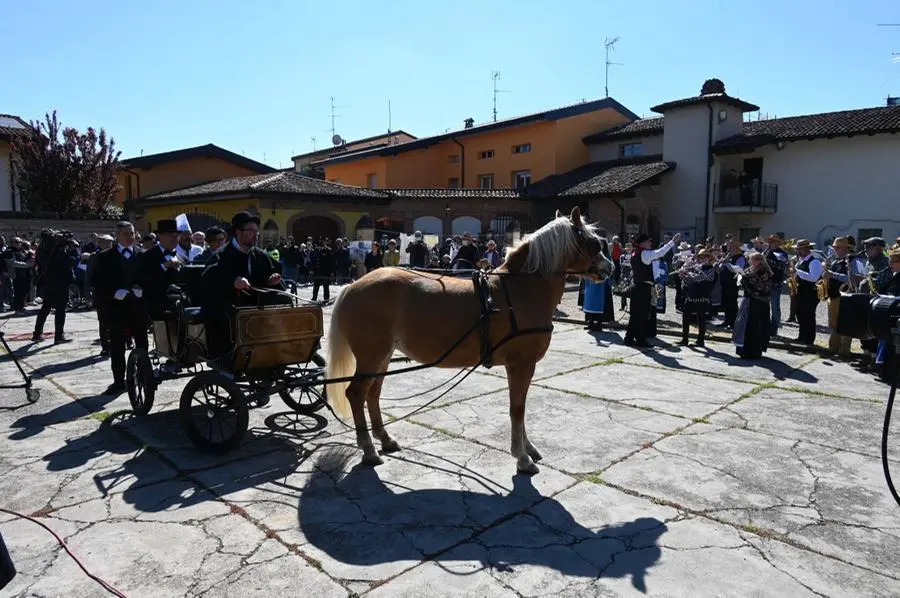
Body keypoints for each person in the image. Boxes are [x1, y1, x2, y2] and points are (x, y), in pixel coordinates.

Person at [199, 211, 286, 367]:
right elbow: (208, 279)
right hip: (228, 302)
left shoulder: (260, 255)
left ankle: (279, 348)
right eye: (250, 231)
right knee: (229, 312)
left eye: (256, 231)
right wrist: (233, 281)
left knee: (284, 300)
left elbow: (273, 272)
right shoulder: (222, 255)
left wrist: (272, 279)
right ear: (238, 232)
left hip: (255, 302)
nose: (255, 235)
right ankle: (228, 357)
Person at [90, 221, 149, 395]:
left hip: (137, 307)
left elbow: (148, 277)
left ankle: (142, 374)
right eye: (125, 234)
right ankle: (118, 380)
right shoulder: (104, 257)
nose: (130, 237)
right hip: (116, 309)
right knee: (117, 345)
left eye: (131, 233)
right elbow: (97, 282)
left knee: (142, 342)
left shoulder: (142, 254)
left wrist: (142, 288)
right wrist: (114, 292)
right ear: (117, 236)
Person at [624, 233, 680, 347]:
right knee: (643, 315)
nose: (650, 243)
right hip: (643, 288)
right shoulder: (645, 254)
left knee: (635, 315)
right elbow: (660, 252)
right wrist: (672, 242)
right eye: (648, 241)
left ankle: (629, 338)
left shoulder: (635, 253)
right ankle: (640, 339)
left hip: (636, 287)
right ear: (642, 243)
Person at [823, 236, 866, 357]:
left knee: (845, 323)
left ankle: (844, 350)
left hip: (845, 297)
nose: (835, 250)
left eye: (838, 247)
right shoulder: (836, 260)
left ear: (846, 248)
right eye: (835, 247)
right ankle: (833, 348)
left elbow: (855, 279)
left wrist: (832, 274)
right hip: (834, 296)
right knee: (834, 324)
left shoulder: (854, 260)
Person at [31, 230, 77, 344]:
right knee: (61, 310)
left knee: (45, 308)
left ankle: (37, 333)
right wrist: (72, 252)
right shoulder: (57, 251)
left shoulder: (41, 250)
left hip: (46, 282)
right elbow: (69, 262)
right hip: (60, 283)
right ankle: (59, 336)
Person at [137, 220, 183, 321]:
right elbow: (142, 280)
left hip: (178, 305)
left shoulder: (180, 256)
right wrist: (163, 267)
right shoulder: (147, 255)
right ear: (159, 236)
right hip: (157, 306)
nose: (175, 238)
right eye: (170, 235)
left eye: (177, 235)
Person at [733, 252, 773, 359]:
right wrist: (740, 274)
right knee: (744, 325)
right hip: (749, 300)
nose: (751, 262)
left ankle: (753, 352)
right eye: (750, 260)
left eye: (753, 260)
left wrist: (745, 280)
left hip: (759, 302)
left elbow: (758, 287)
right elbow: (746, 276)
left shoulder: (764, 272)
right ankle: (744, 350)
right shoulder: (752, 269)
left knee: (754, 326)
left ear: (759, 261)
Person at [678, 249, 716, 346]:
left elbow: (699, 278)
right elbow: (689, 281)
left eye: (705, 257)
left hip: (702, 296)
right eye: (701, 257)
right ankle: (684, 339)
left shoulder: (711, 269)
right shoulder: (697, 267)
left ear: (709, 258)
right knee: (685, 317)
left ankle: (700, 341)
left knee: (701, 319)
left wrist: (691, 272)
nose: (703, 259)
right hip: (691, 295)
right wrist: (683, 275)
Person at [790, 239, 822, 346]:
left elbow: (814, 278)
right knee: (800, 314)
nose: (797, 251)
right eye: (797, 249)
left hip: (810, 293)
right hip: (801, 292)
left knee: (808, 315)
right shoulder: (801, 261)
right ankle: (802, 337)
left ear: (807, 249)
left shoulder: (814, 261)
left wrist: (797, 271)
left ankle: (809, 339)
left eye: (799, 249)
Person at [719, 240, 746, 329]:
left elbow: (737, 270)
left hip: (733, 283)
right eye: (729, 246)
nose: (729, 248)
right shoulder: (728, 256)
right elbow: (721, 267)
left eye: (731, 246)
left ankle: (733, 323)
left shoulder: (740, 257)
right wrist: (722, 262)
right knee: (726, 302)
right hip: (725, 283)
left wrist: (726, 263)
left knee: (732, 303)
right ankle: (726, 321)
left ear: (736, 248)